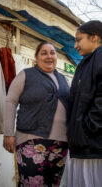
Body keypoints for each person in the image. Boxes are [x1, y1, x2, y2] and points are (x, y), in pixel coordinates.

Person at [3, 41, 70, 186]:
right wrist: (8, 133)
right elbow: (10, 102)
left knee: (53, 184)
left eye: (52, 52)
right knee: (31, 183)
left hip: (61, 142)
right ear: (36, 57)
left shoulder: (64, 79)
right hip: (31, 139)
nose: (49, 56)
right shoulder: (26, 75)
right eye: (44, 53)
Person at [67, 20, 102, 187]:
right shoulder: (87, 62)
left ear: (94, 37)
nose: (75, 45)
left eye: (78, 39)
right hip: (86, 146)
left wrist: (88, 127)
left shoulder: (100, 57)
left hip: (94, 147)